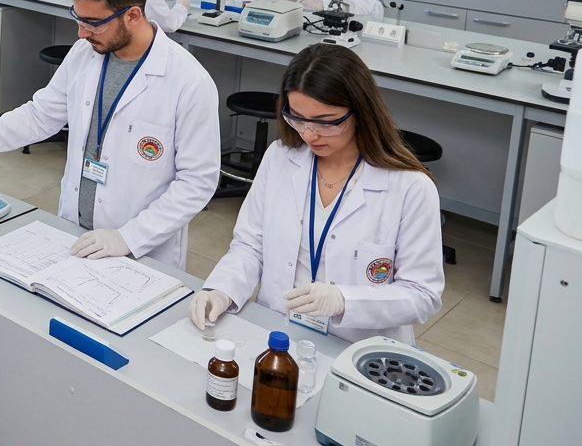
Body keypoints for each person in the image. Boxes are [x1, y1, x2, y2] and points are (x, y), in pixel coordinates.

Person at [0, 0, 219, 269]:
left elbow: (197, 182)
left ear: (133, 16)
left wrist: (129, 237)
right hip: (74, 235)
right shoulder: (85, 54)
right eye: (77, 18)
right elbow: (39, 116)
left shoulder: (189, 83)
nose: (81, 33)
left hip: (142, 250)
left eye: (93, 23)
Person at [190, 44, 444, 344]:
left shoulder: (410, 187)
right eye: (297, 118)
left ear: (361, 111)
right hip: (278, 331)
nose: (309, 134)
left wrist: (344, 300)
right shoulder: (280, 158)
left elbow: (422, 294)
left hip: (357, 346)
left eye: (325, 122)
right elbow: (250, 245)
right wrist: (221, 289)